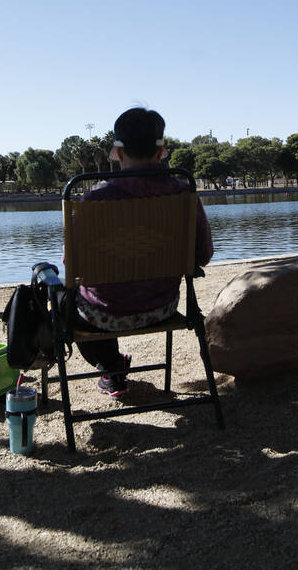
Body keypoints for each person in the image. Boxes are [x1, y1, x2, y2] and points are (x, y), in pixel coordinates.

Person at [71, 107, 214, 398]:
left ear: (118, 153)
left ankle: (111, 368)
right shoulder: (182, 193)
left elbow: (71, 264)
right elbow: (204, 255)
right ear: (162, 152)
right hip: (161, 309)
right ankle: (113, 368)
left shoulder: (94, 200)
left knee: (64, 302)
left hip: (101, 317)